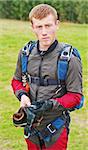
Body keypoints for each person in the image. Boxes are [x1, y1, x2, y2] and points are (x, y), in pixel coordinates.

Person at [11, 4, 83, 150]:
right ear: (32, 27)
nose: (44, 32)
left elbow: (75, 96)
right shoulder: (26, 53)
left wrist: (49, 104)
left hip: (55, 128)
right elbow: (16, 80)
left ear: (57, 25)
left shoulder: (69, 58)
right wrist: (23, 95)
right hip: (31, 126)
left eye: (48, 25)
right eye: (39, 26)